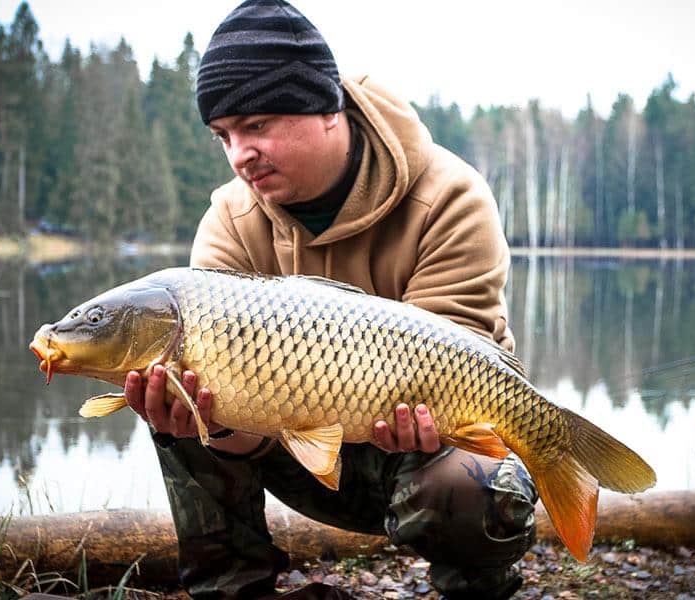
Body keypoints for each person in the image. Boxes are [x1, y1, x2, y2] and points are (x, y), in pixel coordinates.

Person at [124, 1, 537, 598]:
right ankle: (235, 589)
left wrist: (431, 424)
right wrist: (215, 426)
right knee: (176, 394)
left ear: (325, 107)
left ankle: (476, 586)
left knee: (471, 482)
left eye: (257, 125)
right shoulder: (229, 221)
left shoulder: (451, 199)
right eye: (224, 136)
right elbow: (239, 429)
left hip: (421, 449)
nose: (239, 155)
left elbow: (462, 363)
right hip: (292, 447)